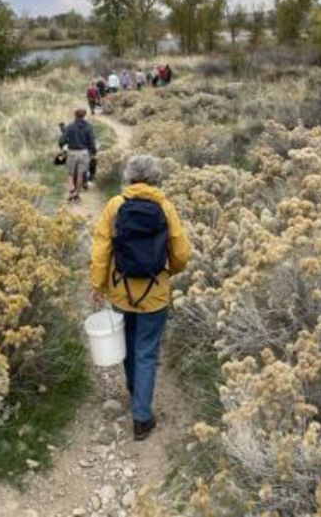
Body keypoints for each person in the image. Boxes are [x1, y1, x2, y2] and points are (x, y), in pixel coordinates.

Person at [89, 155, 192, 441]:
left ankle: (137, 393)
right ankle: (142, 417)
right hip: (154, 293)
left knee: (129, 346)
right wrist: (169, 271)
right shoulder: (165, 207)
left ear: (129, 178)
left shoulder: (114, 206)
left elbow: (100, 251)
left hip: (121, 292)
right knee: (147, 351)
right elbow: (181, 252)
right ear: (157, 179)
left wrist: (97, 285)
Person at [58, 108, 97, 201]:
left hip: (72, 152)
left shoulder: (70, 127)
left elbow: (62, 140)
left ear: (75, 115)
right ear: (84, 115)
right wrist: (93, 151)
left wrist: (62, 146)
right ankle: (77, 193)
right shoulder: (89, 127)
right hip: (84, 152)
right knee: (80, 174)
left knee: (70, 174)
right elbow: (92, 141)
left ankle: (71, 190)